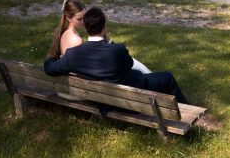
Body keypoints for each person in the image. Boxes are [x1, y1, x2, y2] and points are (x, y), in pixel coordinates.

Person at [43, 6, 188, 104]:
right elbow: (128, 65)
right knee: (166, 77)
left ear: (86, 28)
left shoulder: (73, 55)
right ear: (104, 27)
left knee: (142, 74)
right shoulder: (116, 50)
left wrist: (54, 57)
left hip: (105, 102)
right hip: (129, 100)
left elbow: (50, 68)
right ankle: (188, 110)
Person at [47, 0, 151, 74]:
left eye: (84, 17)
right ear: (68, 18)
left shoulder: (65, 33)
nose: (84, 22)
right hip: (76, 92)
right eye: (79, 19)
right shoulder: (76, 39)